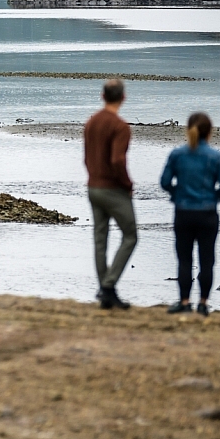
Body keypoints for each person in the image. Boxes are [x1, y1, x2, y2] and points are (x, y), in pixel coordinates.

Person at [160, 111, 220, 317]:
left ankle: (184, 301)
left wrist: (177, 195)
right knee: (207, 260)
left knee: (184, 259)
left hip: (183, 212)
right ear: (210, 132)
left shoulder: (177, 155)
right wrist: (214, 198)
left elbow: (165, 182)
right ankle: (202, 303)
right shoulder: (216, 157)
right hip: (207, 214)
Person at [83, 78, 136, 309]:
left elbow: (86, 157)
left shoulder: (91, 122)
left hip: (93, 186)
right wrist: (127, 184)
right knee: (130, 235)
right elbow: (117, 160)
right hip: (112, 189)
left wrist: (94, 175)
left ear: (103, 96)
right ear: (123, 98)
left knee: (100, 238)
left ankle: (105, 290)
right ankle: (108, 285)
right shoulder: (120, 126)